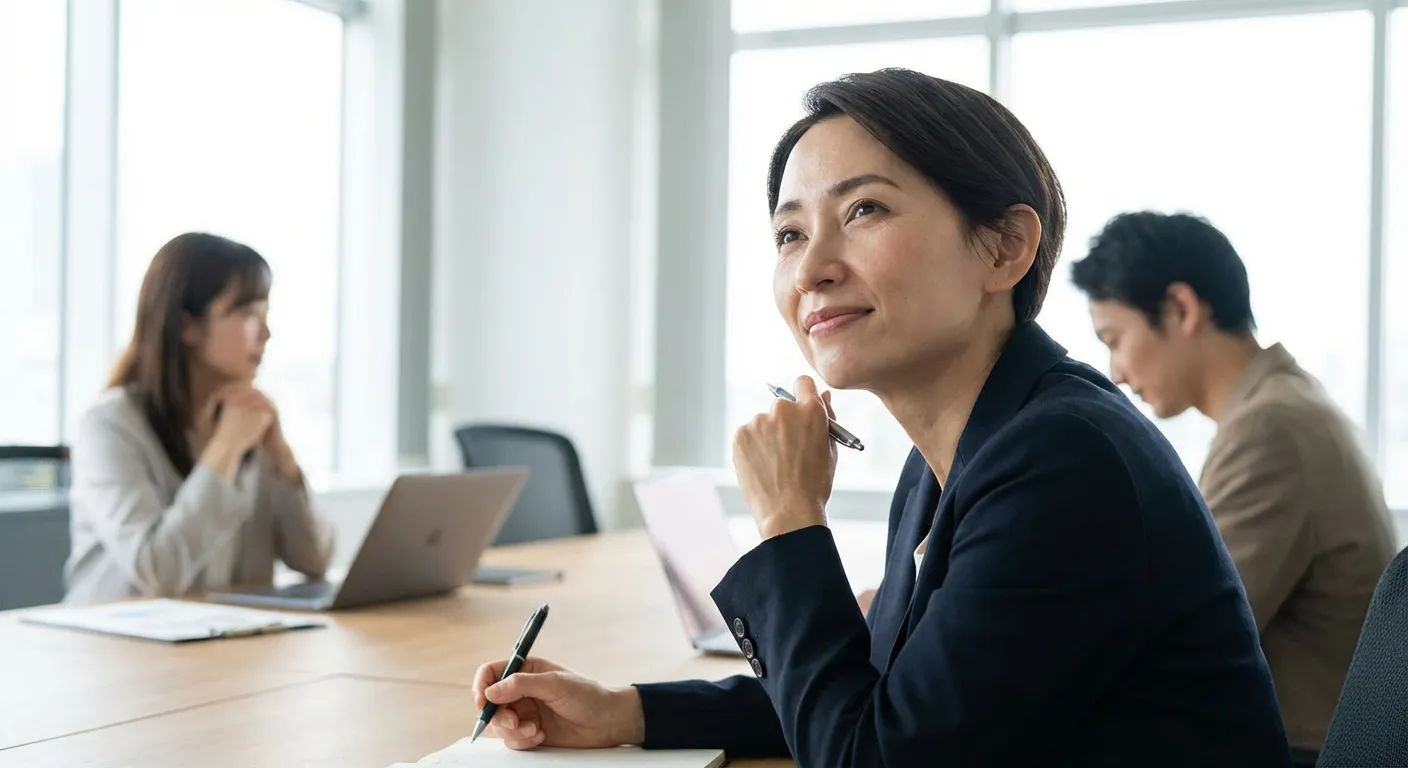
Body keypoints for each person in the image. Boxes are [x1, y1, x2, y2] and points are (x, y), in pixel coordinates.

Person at [472, 69, 1291, 766]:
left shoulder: (1065, 460)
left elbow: (875, 753)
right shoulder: (958, 457)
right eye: (790, 233)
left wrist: (791, 518)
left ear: (1004, 248)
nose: (813, 268)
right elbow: (877, 701)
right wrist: (628, 712)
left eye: (863, 210)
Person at [1071, 210, 1397, 766]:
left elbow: (1178, 633)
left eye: (1115, 339)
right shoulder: (1285, 405)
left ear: (1181, 309)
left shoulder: (1273, 429)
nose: (1117, 372)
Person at [64, 232, 334, 604]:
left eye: (266, 314)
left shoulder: (247, 420)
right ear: (187, 326)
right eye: (248, 314)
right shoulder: (110, 425)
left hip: (222, 644)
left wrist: (285, 464)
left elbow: (316, 559)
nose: (267, 333)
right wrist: (224, 450)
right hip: (115, 649)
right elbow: (158, 573)